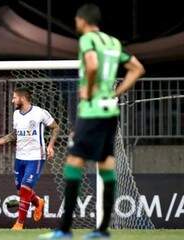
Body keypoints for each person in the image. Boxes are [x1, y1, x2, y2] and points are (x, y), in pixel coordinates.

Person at [39, 3, 145, 239]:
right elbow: (137, 69)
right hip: (109, 111)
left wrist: (88, 89)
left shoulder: (88, 39)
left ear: (83, 20)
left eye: (76, 20)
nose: (76, 24)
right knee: (106, 164)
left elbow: (93, 65)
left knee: (73, 163)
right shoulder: (114, 43)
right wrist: (115, 94)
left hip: (93, 110)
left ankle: (64, 230)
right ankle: (102, 230)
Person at [0, 87, 60, 230]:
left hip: (36, 157)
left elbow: (55, 128)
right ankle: (38, 202)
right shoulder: (16, 114)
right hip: (20, 157)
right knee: (20, 190)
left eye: (14, 97)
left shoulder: (40, 113)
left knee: (24, 188)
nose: (12, 101)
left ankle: (19, 223)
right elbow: (15, 134)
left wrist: (51, 146)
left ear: (22, 98)